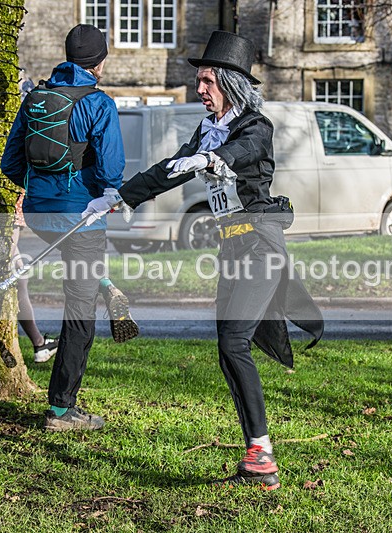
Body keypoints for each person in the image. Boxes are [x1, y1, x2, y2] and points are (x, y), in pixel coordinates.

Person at [84, 31, 324, 489]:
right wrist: (119, 196)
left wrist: (211, 160)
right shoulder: (207, 128)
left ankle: (263, 455)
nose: (200, 89)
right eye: (199, 80)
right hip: (231, 249)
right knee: (226, 348)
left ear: (231, 84)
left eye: (208, 81)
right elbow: (169, 169)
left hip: (260, 245)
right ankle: (258, 452)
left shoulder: (254, 126)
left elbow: (238, 154)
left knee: (235, 341)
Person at [1, 24, 138, 431]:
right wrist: (91, 190)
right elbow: (112, 171)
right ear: (101, 61)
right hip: (80, 219)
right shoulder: (98, 103)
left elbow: (10, 164)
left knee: (81, 268)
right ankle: (62, 410)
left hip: (41, 217)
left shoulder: (36, 98)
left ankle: (104, 281)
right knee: (78, 310)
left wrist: (40, 191)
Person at [11, 192, 59, 363]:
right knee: (11, 274)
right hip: (9, 208)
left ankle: (39, 343)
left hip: (13, 208)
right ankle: (39, 343)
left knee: (19, 277)